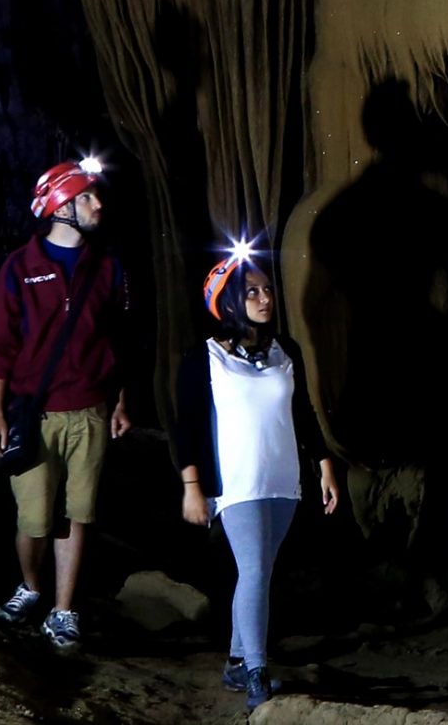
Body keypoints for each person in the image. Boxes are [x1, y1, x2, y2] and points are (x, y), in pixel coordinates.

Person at [176, 245, 340, 710]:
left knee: (260, 572)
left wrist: (324, 464)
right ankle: (256, 672)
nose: (264, 298)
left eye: (267, 289)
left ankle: (235, 660)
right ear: (227, 299)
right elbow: (185, 425)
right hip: (237, 483)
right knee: (252, 571)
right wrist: (192, 486)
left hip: (284, 481)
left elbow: (302, 412)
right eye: (251, 291)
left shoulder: (284, 351)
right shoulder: (203, 357)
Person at [0, 159, 132, 654]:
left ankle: (63, 610)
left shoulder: (107, 268)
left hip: (89, 408)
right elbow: (0, 345)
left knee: (79, 515)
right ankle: (31, 585)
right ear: (61, 207)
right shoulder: (20, 268)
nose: (98, 204)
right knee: (33, 520)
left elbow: (119, 341)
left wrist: (120, 402)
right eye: (87, 197)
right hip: (35, 410)